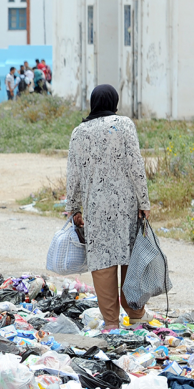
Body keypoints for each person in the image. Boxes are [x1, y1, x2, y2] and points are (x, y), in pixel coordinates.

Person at [66, 85, 153, 330]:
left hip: (95, 209)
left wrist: (74, 209)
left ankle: (111, 324)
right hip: (126, 207)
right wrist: (144, 202)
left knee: (103, 265)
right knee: (131, 261)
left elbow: (72, 175)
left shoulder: (78, 132)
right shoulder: (124, 125)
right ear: (114, 102)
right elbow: (136, 165)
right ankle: (136, 314)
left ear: (92, 102)